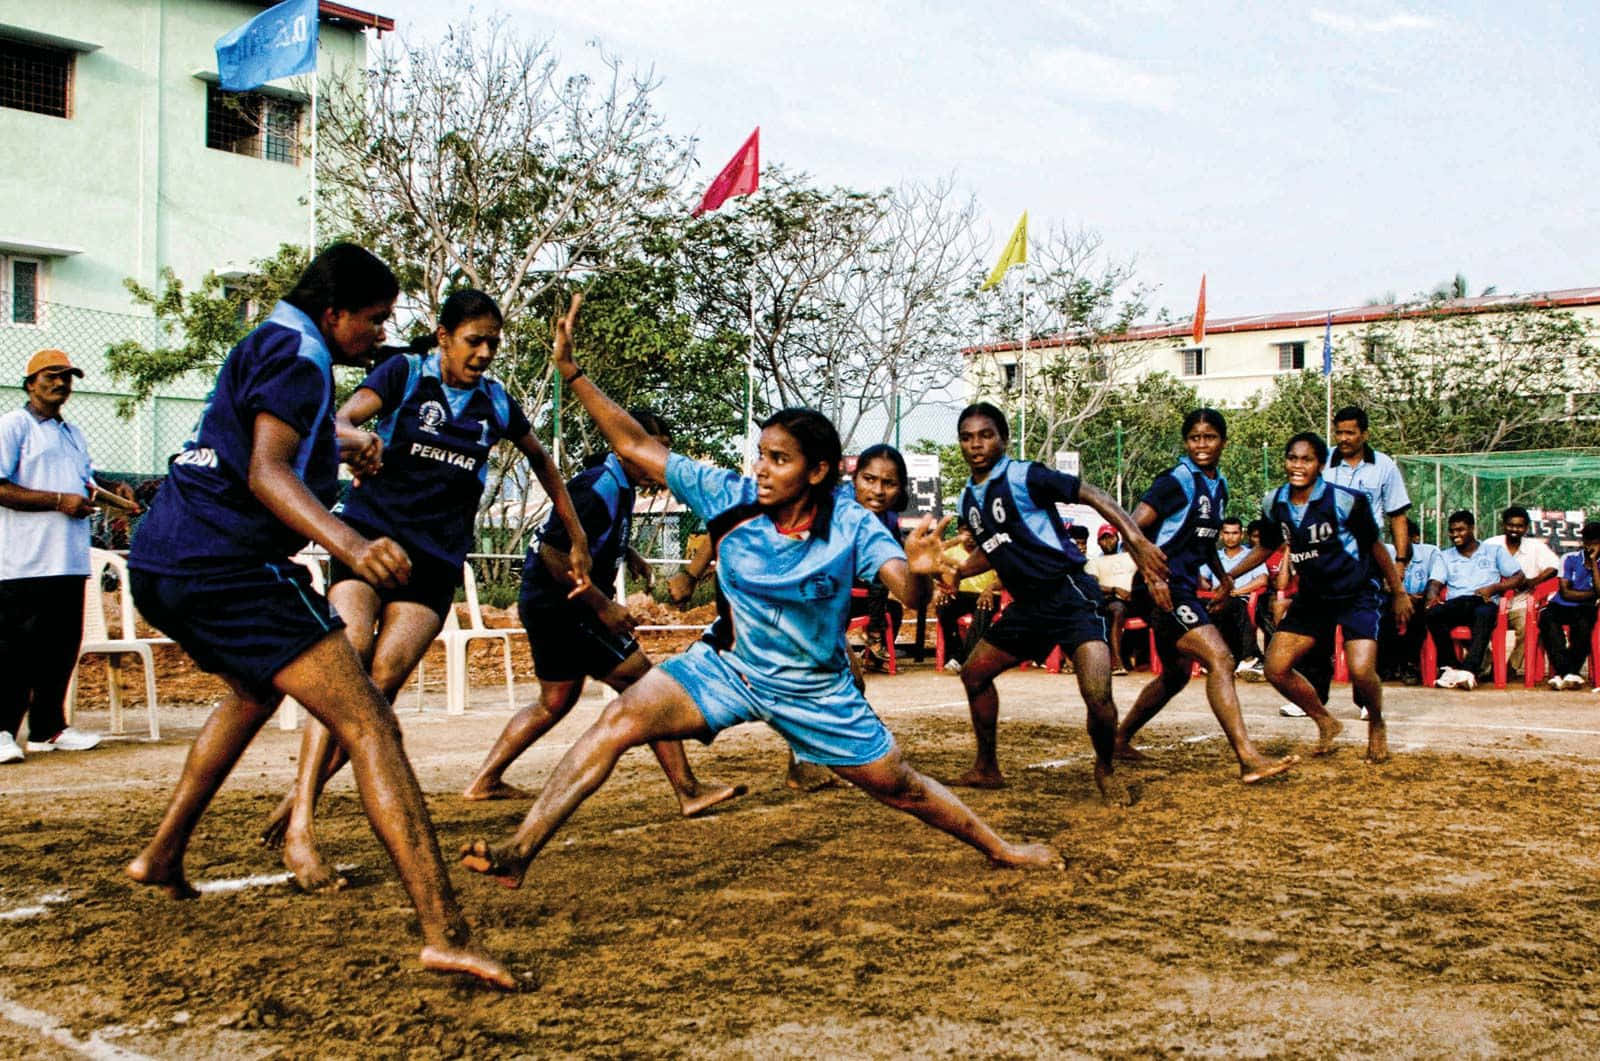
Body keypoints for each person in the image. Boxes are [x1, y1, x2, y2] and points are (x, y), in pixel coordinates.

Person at [458, 295, 1061, 887]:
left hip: (815, 690)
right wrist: (573, 373)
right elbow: (636, 445)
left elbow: (906, 593)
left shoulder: (850, 522)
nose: (762, 469)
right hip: (729, 668)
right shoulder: (729, 496)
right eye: (760, 456)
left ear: (818, 471)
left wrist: (923, 569)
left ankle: (1000, 848)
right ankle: (521, 848)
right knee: (619, 718)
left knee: (902, 787)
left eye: (778, 459)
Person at [124, 244, 513, 987]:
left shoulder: (272, 339)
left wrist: (349, 438)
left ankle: (163, 851)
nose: (378, 334)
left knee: (252, 690)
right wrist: (352, 542)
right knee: (370, 721)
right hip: (225, 567)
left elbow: (266, 435)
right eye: (372, 320)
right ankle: (444, 930)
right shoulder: (302, 357)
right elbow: (264, 469)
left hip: (164, 557)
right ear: (334, 313)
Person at [255, 289, 596, 892]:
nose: (485, 352)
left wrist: (576, 536)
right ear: (443, 337)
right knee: (349, 652)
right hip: (369, 541)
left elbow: (545, 465)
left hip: (433, 563)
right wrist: (356, 442)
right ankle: (302, 823)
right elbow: (340, 420)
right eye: (474, 340)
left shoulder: (495, 403)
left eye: (493, 341)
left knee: (381, 682)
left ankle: (299, 792)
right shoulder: (404, 373)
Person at [460, 408, 745, 816]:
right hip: (567, 607)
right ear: (624, 447)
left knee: (554, 702)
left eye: (662, 453)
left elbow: (584, 535)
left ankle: (484, 780)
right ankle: (688, 789)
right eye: (650, 451)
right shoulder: (600, 487)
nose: (657, 463)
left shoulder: (617, 483)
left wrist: (627, 554)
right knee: (645, 685)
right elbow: (553, 552)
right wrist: (603, 605)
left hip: (550, 604)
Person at [945, 402, 1168, 796]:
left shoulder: (1024, 475)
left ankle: (1105, 769)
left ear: (1003, 439)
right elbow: (994, 548)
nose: (976, 444)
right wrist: (957, 571)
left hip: (1070, 594)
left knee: (1097, 694)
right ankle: (986, 767)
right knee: (974, 674)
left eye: (985, 435)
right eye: (967, 437)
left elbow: (1091, 493)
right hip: (1027, 607)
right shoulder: (968, 499)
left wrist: (1135, 538)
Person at [1111, 409, 1298, 783]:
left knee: (1175, 676)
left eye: (1209, 437)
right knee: (1222, 659)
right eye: (1195, 438)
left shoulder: (1218, 485)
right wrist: (1151, 574)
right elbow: (1128, 527)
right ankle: (1248, 759)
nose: (1202, 444)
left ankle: (1117, 740)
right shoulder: (1175, 481)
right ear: (1186, 442)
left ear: (1223, 442)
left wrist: (1224, 576)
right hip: (1160, 589)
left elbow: (1203, 538)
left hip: (1181, 588)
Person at [1232, 433, 1411, 762]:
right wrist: (1227, 577)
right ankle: (1325, 721)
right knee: (1275, 667)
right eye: (1292, 458)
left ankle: (1376, 722)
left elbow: (1374, 547)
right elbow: (1266, 546)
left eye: (1306, 459)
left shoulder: (1346, 500)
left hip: (1356, 592)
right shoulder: (1275, 502)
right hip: (1314, 596)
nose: (1298, 465)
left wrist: (1398, 590)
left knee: (1360, 671)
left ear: (1320, 465)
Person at [0, 349, 140, 763]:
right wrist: (59, 500)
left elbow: (85, 486)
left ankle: (49, 729)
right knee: (13, 651)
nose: (60, 384)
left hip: (68, 558)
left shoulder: (71, 433)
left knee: (59, 649)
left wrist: (116, 491)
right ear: (30, 384)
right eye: (51, 377)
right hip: (21, 561)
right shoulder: (13, 426)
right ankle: (3, 730)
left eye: (67, 378)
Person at [1289, 406, 1414, 715]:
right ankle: (1313, 698)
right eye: (1339, 432)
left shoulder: (1384, 466)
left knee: (1363, 630)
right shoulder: (1322, 462)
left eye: (1350, 433)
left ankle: (1366, 702)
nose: (1343, 438)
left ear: (1364, 434)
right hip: (1324, 556)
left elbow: (1397, 515)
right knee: (1316, 630)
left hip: (1367, 557)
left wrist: (1399, 561)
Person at [1425, 510, 1524, 690]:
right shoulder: (1445, 556)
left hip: (1484, 602)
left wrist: (1494, 588)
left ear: (1472, 528)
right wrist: (1432, 596)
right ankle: (1451, 667)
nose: (1455, 535)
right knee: (1432, 614)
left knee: (1483, 613)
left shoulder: (1493, 551)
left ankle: (1469, 670)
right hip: (1458, 603)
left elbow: (1518, 577)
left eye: (1460, 530)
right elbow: (1435, 582)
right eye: (1452, 531)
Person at [846, 444, 908, 672]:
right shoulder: (836, 509)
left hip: (860, 597)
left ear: (900, 488)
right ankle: (873, 634)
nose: (878, 490)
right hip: (824, 597)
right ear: (855, 479)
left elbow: (905, 581)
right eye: (869, 479)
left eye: (889, 483)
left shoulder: (889, 519)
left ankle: (874, 656)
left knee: (894, 608)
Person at [1483, 505, 1560, 675]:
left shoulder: (1535, 547)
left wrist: (1533, 581)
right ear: (1504, 525)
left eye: (1519, 526)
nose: (1514, 530)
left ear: (1526, 528)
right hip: (1493, 602)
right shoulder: (1490, 544)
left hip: (1520, 604)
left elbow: (1555, 566)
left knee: (1530, 627)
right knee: (1474, 624)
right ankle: (1489, 663)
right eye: (1510, 525)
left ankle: (1511, 667)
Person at [1198, 515, 1267, 679]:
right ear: (1222, 534)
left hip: (1241, 599)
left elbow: (1262, 579)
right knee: (1195, 605)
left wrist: (1237, 590)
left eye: (1234, 533)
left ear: (1241, 534)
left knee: (1232, 604)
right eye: (1227, 533)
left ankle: (1249, 657)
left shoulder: (1251, 555)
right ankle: (1215, 658)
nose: (1230, 537)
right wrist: (1207, 584)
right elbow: (1202, 580)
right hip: (1216, 598)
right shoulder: (1215, 556)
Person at [1378, 517, 1444, 683]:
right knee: (1382, 609)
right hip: (1391, 598)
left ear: (1415, 538)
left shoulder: (1430, 553)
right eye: (1394, 537)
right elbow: (1379, 582)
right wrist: (1400, 596)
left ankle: (1409, 664)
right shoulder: (1385, 552)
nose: (1398, 542)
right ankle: (1386, 664)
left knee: (1421, 614)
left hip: (1418, 600)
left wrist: (1424, 600)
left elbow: (1436, 580)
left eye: (1402, 536)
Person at [1537, 522, 1599, 689]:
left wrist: (1593, 563)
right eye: (1589, 541)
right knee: (1547, 620)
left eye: (1597, 542)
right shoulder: (1569, 558)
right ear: (1583, 541)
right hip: (1561, 604)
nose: (1592, 546)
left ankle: (1561, 675)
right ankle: (1569, 673)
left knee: (1584, 627)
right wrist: (1591, 594)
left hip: (1585, 608)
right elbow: (1565, 593)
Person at [934, 527, 1000, 672]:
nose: (970, 537)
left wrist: (990, 588)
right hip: (961, 594)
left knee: (984, 606)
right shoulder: (950, 553)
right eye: (966, 533)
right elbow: (942, 576)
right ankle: (954, 653)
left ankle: (961, 658)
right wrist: (944, 590)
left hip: (988, 595)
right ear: (959, 532)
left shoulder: (990, 550)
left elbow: (1004, 578)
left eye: (974, 533)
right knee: (943, 605)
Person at [1085, 524, 1139, 674]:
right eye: (1103, 539)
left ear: (1117, 539)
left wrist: (1134, 591)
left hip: (1134, 599)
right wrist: (1115, 590)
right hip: (1110, 601)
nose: (1108, 542)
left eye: (1111, 538)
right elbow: (1092, 586)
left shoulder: (1130, 557)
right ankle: (1116, 661)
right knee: (1117, 609)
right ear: (1098, 543)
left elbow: (1144, 575)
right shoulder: (1094, 562)